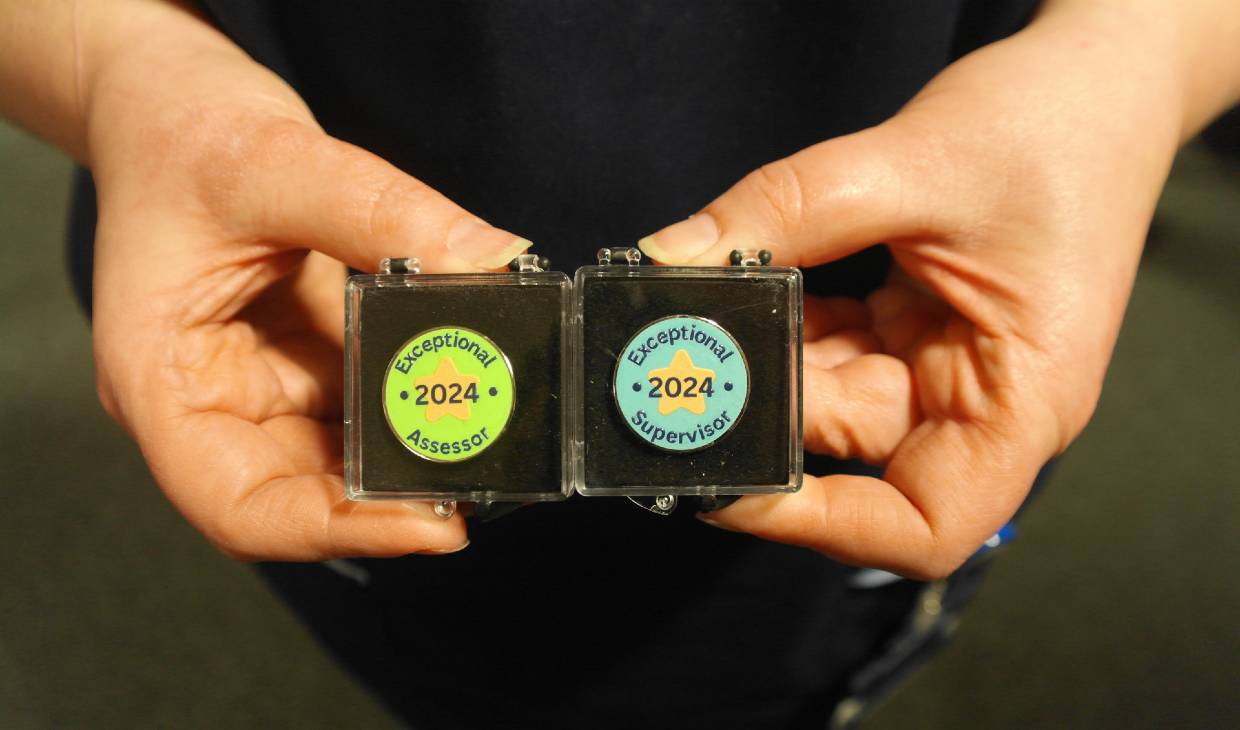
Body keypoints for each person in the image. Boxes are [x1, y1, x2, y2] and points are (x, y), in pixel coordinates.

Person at [2, 1, 1237, 727]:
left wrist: (1134, 62)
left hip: (881, 382)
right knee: (441, 663)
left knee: (790, 674)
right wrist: (112, 71)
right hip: (301, 366)